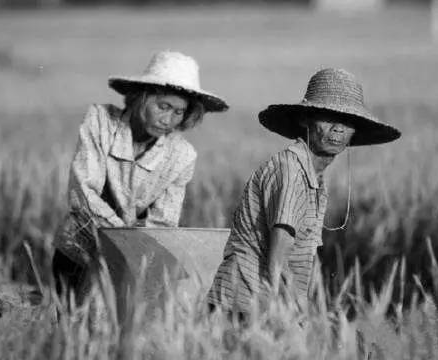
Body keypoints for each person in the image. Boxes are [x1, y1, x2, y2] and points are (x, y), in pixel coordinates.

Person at [207, 68, 401, 320]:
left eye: (347, 121)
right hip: (245, 305)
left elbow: (303, 253)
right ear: (305, 120)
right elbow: (279, 253)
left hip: (260, 304)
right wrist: (291, 313)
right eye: (328, 117)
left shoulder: (315, 178)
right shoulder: (291, 171)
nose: (337, 129)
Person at [52, 51, 228, 305]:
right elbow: (82, 192)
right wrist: (122, 240)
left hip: (131, 262)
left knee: (118, 329)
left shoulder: (181, 156)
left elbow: (163, 222)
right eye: (163, 106)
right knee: (72, 325)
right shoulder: (101, 121)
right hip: (77, 251)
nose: (168, 119)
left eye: (179, 112)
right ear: (140, 97)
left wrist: (130, 254)